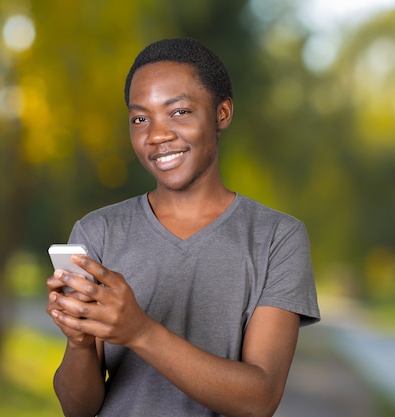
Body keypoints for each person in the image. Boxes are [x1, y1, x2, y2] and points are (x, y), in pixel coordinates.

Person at [45, 37, 320, 417]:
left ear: (221, 113)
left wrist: (139, 331)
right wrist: (79, 343)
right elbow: (78, 410)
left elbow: (260, 398)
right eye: (140, 119)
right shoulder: (97, 234)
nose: (156, 135)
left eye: (179, 112)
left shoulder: (277, 238)